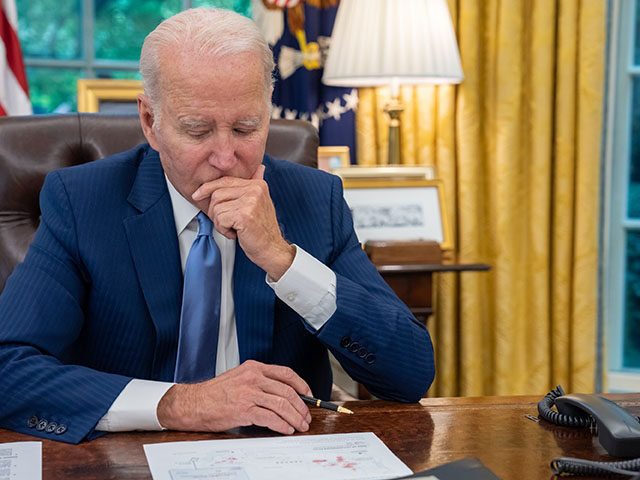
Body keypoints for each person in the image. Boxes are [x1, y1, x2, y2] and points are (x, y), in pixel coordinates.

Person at [0, 8, 434, 444]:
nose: (226, 158)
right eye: (197, 130)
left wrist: (283, 259)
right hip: (130, 458)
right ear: (151, 122)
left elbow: (410, 374)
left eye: (246, 128)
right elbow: (8, 368)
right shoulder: (82, 202)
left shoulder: (315, 200)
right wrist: (181, 404)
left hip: (277, 460)